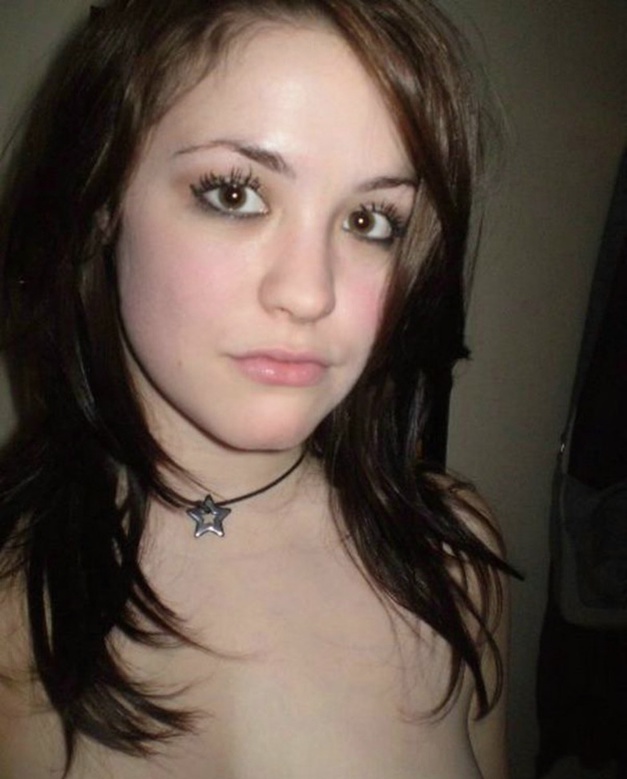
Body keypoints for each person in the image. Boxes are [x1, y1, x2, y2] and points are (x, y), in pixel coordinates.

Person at [0, 0, 513, 777]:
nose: (309, 293)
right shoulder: (15, 613)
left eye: (370, 220)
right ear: (101, 201)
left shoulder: (452, 561)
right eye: (234, 193)